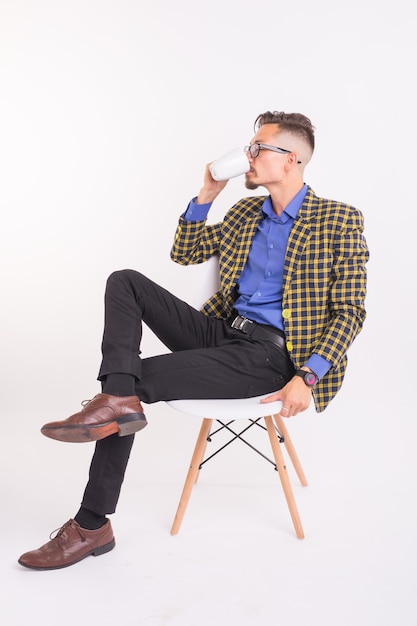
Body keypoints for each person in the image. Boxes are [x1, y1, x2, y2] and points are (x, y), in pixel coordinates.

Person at [18, 110, 369, 570]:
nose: (248, 155)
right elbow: (184, 252)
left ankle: (91, 525)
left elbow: (350, 312)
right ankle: (115, 399)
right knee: (125, 282)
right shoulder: (246, 212)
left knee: (132, 387)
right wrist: (207, 193)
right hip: (222, 332)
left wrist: (308, 376)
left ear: (292, 160)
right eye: (250, 146)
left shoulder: (338, 219)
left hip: (272, 357)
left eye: (259, 148)